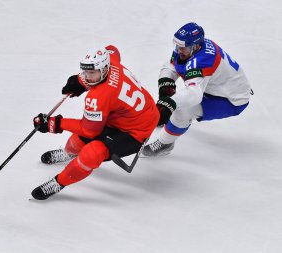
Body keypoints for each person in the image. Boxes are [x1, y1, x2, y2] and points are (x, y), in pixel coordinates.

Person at [31, 45, 159, 200]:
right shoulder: (111, 61)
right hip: (131, 115)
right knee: (77, 141)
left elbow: (89, 131)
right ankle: (69, 153)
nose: (87, 77)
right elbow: (112, 49)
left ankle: (58, 182)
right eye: (85, 72)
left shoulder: (99, 96)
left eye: (91, 73)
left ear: (104, 69)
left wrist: (55, 123)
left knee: (92, 153)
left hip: (136, 131)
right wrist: (80, 80)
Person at [142, 22, 252, 156]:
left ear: (196, 46)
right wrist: (166, 82)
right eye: (177, 45)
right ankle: (168, 118)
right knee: (175, 102)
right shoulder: (188, 48)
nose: (178, 50)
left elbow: (194, 94)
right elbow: (171, 66)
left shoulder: (201, 61)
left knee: (183, 111)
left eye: (183, 48)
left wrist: (170, 104)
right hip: (218, 87)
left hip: (231, 99)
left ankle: (165, 144)